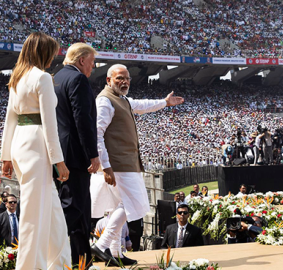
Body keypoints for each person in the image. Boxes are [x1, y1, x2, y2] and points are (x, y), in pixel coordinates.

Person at [91, 64, 184, 266]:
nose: (124, 82)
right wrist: (105, 165)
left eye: (127, 78)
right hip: (119, 164)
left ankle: (115, 253)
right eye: (119, 78)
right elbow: (96, 135)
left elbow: (142, 105)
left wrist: (165, 103)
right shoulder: (105, 101)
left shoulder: (122, 99)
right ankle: (102, 245)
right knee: (134, 204)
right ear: (108, 80)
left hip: (124, 163)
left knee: (119, 206)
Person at [0, 32, 71, 269]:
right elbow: (50, 124)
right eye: (52, 52)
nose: (54, 58)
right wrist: (58, 161)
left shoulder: (16, 78)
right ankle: (31, 266)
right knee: (33, 212)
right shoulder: (42, 78)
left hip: (21, 143)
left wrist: (6, 156)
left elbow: (10, 119)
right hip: (37, 145)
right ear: (43, 52)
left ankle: (59, 262)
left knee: (51, 208)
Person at [54, 42, 100, 266]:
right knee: (72, 208)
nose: (93, 67)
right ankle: (51, 250)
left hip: (61, 152)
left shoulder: (57, 77)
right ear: (82, 60)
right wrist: (93, 154)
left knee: (82, 210)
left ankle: (82, 260)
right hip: (75, 154)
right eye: (92, 62)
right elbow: (83, 120)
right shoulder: (78, 79)